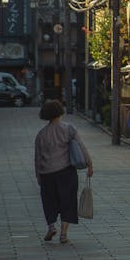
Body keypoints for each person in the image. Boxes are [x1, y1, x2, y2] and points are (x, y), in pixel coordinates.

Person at [34, 99, 93, 244]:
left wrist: (38, 175)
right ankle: (63, 234)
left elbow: (37, 158)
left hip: (47, 173)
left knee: (49, 201)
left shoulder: (41, 134)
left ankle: (51, 226)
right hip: (66, 172)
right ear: (61, 112)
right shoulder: (68, 129)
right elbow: (81, 147)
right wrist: (89, 164)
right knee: (68, 201)